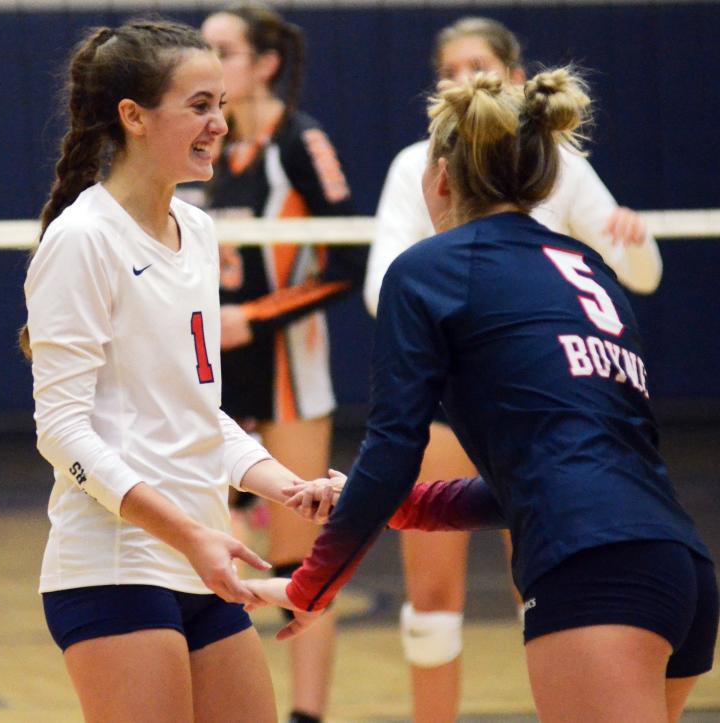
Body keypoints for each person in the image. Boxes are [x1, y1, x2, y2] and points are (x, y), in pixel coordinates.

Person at [248, 68, 718, 723]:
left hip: (592, 573)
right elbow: (537, 474)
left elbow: (392, 448)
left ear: (438, 176)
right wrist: (385, 504)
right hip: (680, 569)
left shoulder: (427, 270)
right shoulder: (591, 270)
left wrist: (309, 586)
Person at [20, 19, 328, 722]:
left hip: (202, 556)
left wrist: (286, 486)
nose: (220, 123)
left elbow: (196, 413)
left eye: (221, 103)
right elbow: (61, 434)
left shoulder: (200, 232)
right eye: (199, 105)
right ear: (132, 117)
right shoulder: (84, 240)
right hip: (117, 563)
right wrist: (188, 533)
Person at [362, 17, 664, 722]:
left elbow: (639, 274)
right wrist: (473, 301)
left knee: (546, 577)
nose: (464, 78)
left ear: (515, 77)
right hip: (454, 391)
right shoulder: (418, 164)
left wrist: (636, 240)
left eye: (479, 64)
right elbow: (385, 282)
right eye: (450, 68)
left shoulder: (555, 161)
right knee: (432, 597)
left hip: (537, 393)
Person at [198, 4, 367, 722]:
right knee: (212, 551)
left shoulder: (300, 140)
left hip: (289, 370)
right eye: (201, 51)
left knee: (303, 561)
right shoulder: (201, 141)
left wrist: (256, 316)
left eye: (224, 51)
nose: (211, 63)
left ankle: (306, 715)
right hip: (214, 372)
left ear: (265, 63)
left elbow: (348, 259)